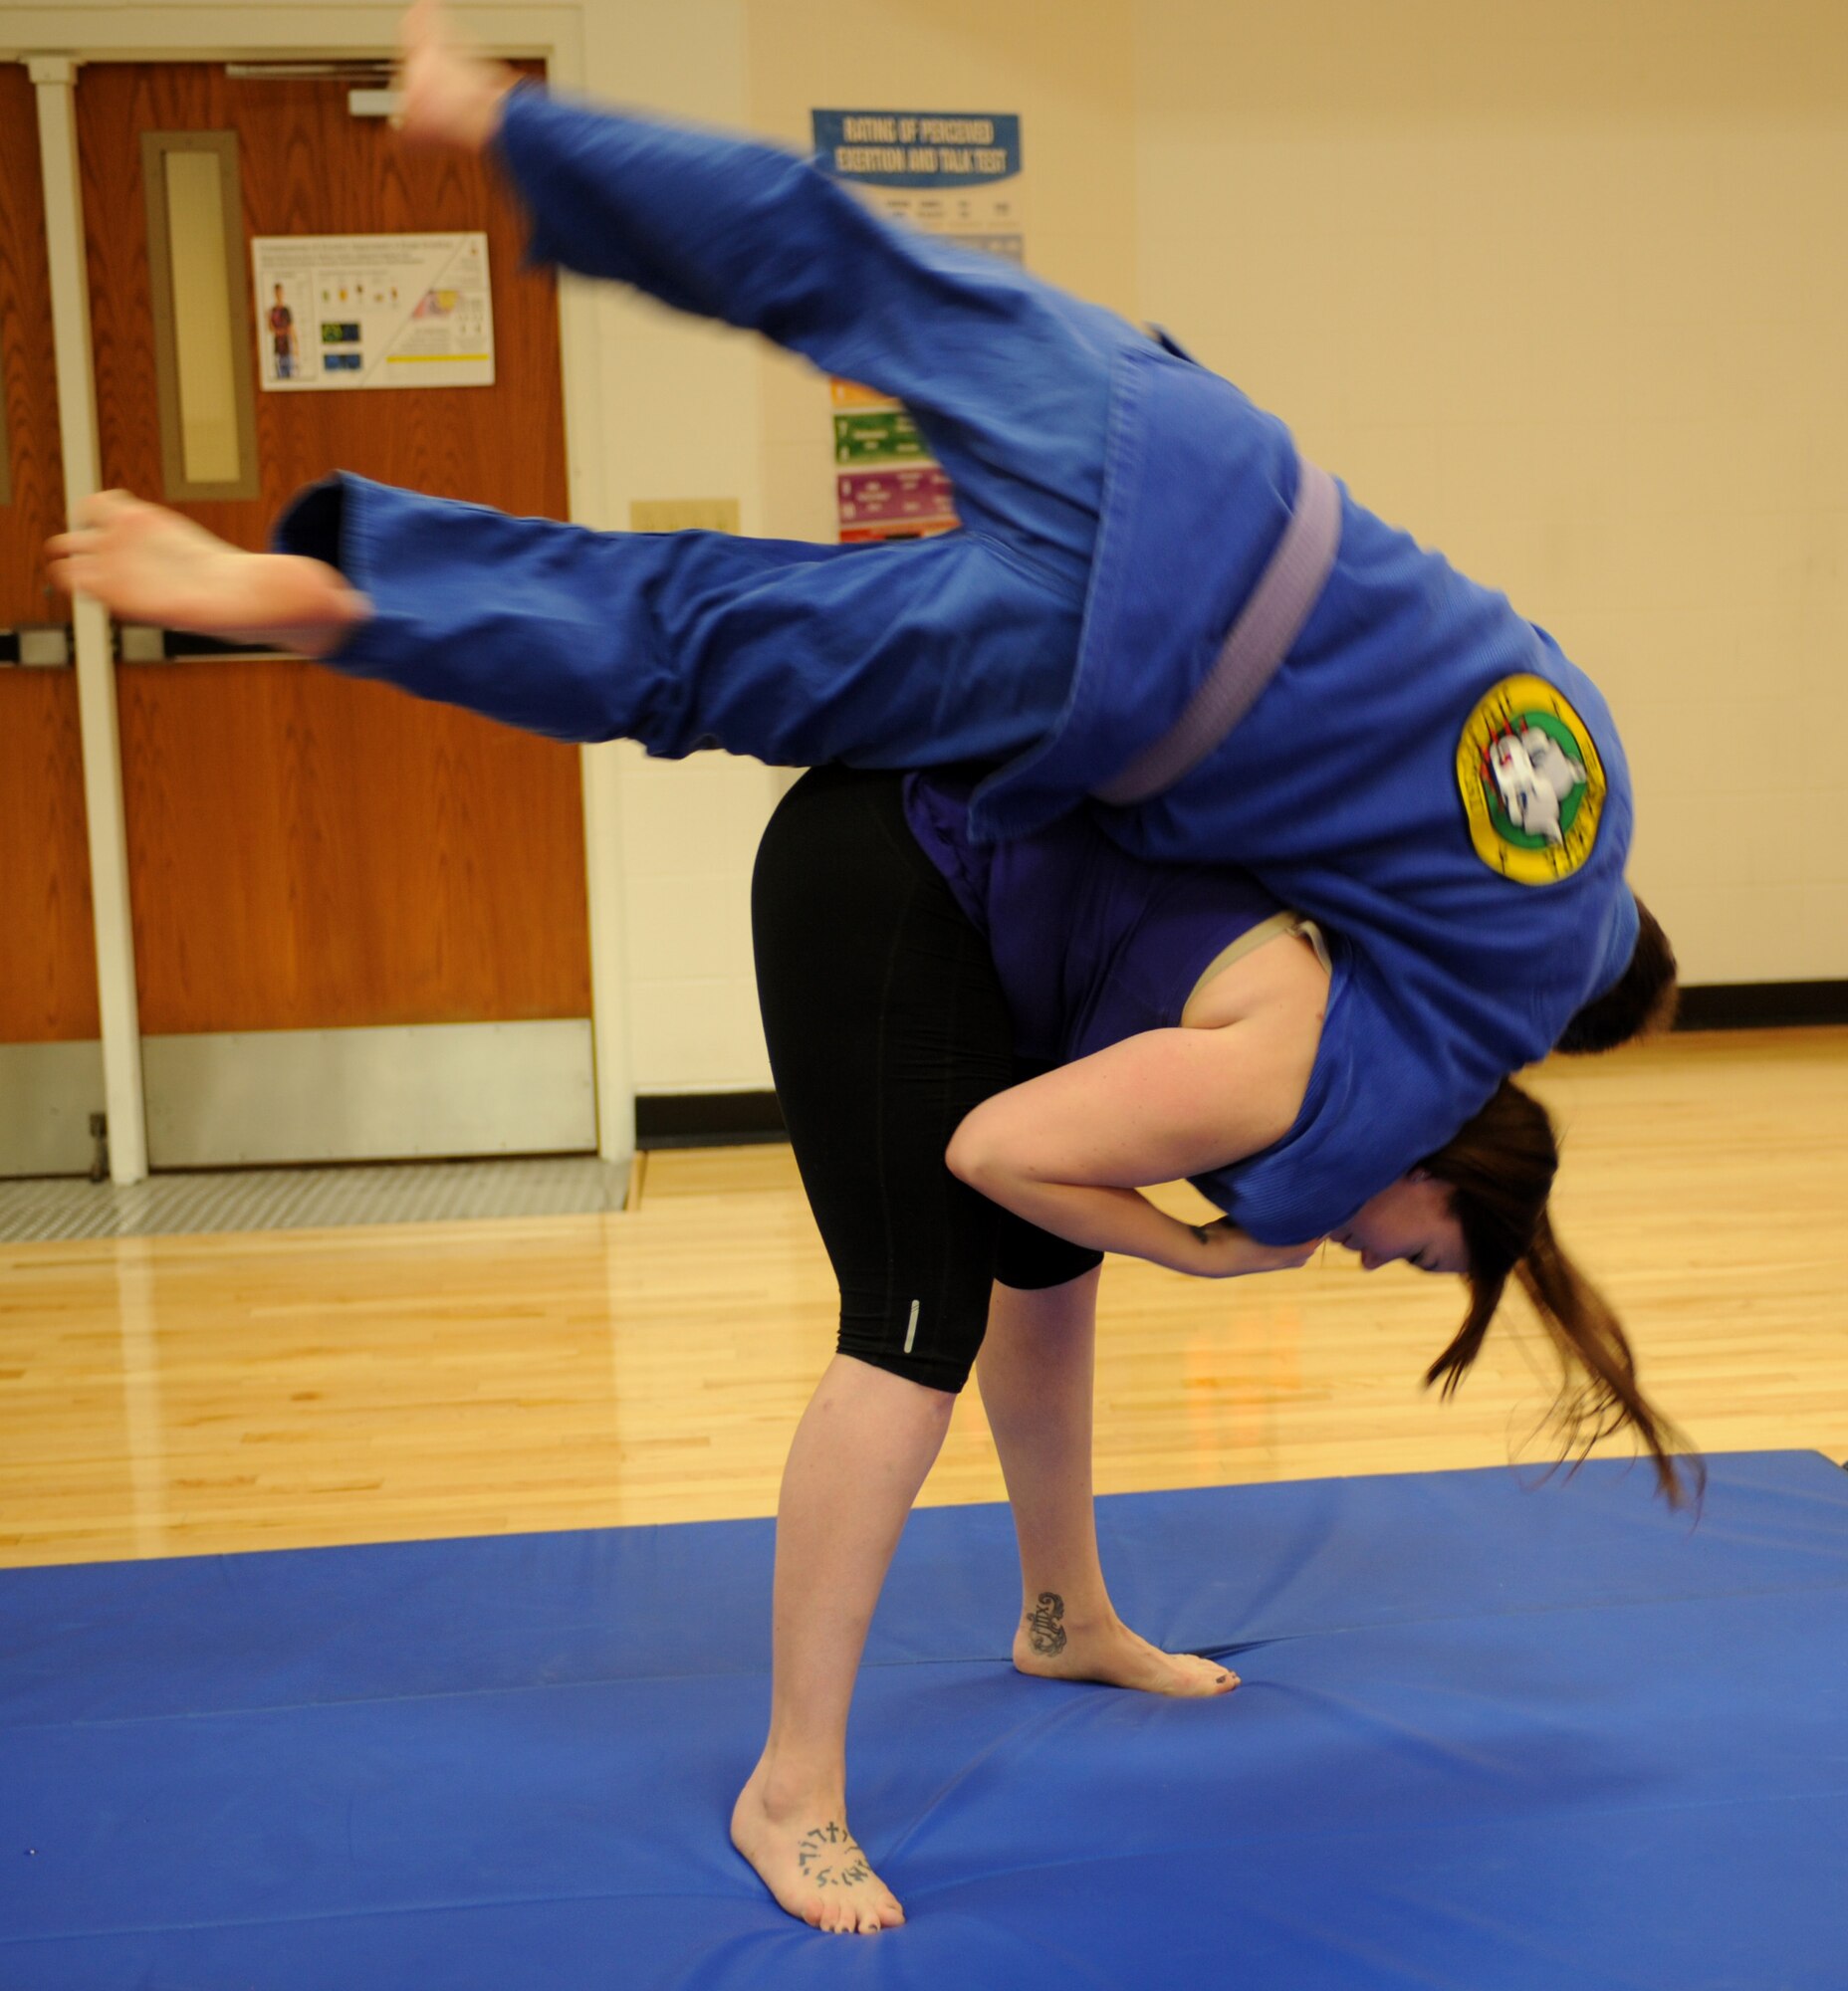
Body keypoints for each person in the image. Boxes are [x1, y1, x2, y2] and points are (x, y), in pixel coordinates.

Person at [46, 0, 1677, 1248]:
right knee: (700, 637)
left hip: (1199, 462)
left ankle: (489, 113)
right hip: (1106, 670)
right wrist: (1259, 1252)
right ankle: (341, 592)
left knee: (836, 260)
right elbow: (1301, 1168)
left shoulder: (1583, 741)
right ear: (1557, 1037)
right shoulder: (1496, 1003)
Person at [735, 762, 1689, 1934]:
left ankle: (1063, 1615)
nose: (1386, 1265)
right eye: (1426, 1254)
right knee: (912, 1325)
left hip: (1005, 907)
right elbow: (991, 1150)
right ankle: (788, 1790)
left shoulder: (1351, 1079)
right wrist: (1190, 1248)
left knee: (1044, 1263)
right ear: (1432, 1166)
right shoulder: (1285, 1074)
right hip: (883, 867)